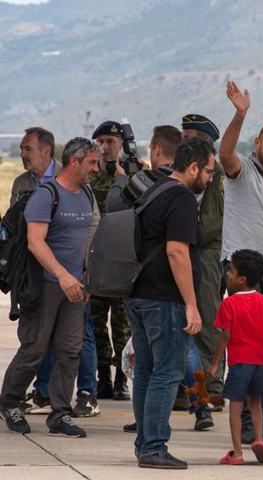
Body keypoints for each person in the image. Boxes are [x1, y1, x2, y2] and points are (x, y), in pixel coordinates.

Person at [108, 126, 214, 432]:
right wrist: (191, 304)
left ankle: (145, 441)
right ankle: (154, 444)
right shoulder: (181, 198)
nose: (208, 178)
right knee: (167, 373)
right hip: (164, 298)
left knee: (146, 373)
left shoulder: (154, 188)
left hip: (139, 293)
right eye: (208, 171)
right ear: (193, 167)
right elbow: (177, 252)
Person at [0, 137, 99, 437]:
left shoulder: (86, 194)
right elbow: (35, 242)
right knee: (35, 349)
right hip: (45, 285)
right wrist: (63, 275)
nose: (97, 167)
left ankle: (60, 414)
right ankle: (10, 403)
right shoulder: (47, 195)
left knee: (70, 351)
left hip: (76, 288)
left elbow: (89, 239)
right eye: (92, 162)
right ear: (74, 161)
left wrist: (86, 276)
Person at [219, 80, 263, 447]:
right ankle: (244, 422)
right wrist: (240, 113)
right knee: (245, 350)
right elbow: (224, 153)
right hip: (245, 272)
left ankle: (258, 419)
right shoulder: (242, 171)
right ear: (258, 144)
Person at [208, 249, 263, 465]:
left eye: (231, 271)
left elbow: (225, 335)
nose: (227, 274)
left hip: (240, 363)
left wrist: (215, 363)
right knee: (256, 404)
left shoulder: (229, 304)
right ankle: (260, 440)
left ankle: (237, 452)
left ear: (242, 280)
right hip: (260, 362)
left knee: (235, 406)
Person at [181, 114, 226, 408]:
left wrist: (185, 233)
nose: (185, 141)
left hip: (206, 251)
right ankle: (193, 388)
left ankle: (212, 387)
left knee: (208, 320)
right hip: (191, 248)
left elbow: (215, 220)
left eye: (190, 136)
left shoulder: (216, 173)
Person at [90, 120, 133, 401]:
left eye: (110, 142)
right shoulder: (90, 176)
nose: (105, 148)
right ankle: (102, 377)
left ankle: (121, 380)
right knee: (95, 322)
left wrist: (125, 177)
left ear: (121, 145)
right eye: (101, 142)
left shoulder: (134, 174)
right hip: (96, 259)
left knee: (122, 324)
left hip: (122, 260)